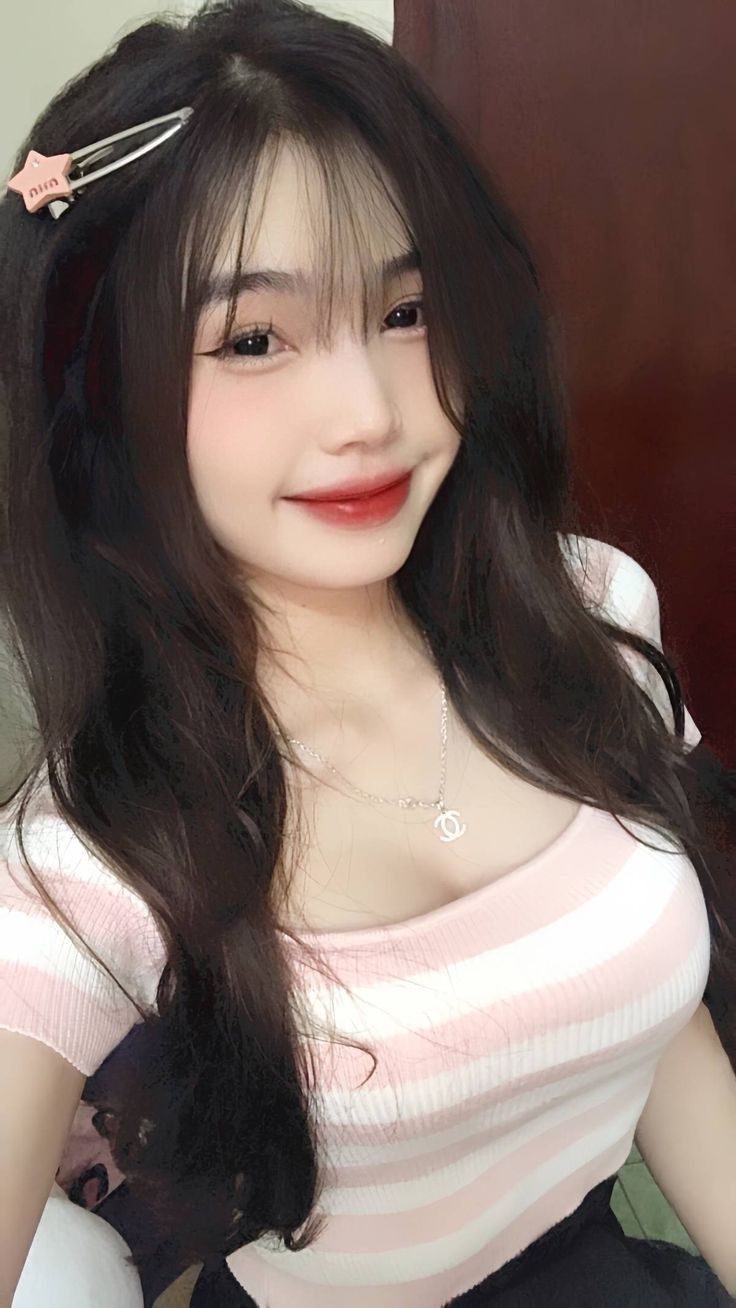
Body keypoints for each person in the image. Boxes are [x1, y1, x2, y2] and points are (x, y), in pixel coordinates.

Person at [0, 1, 734, 1305]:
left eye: (406, 309)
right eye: (254, 339)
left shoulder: (593, 612)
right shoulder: (94, 849)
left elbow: (653, 1012)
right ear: (103, 391)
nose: (371, 415)